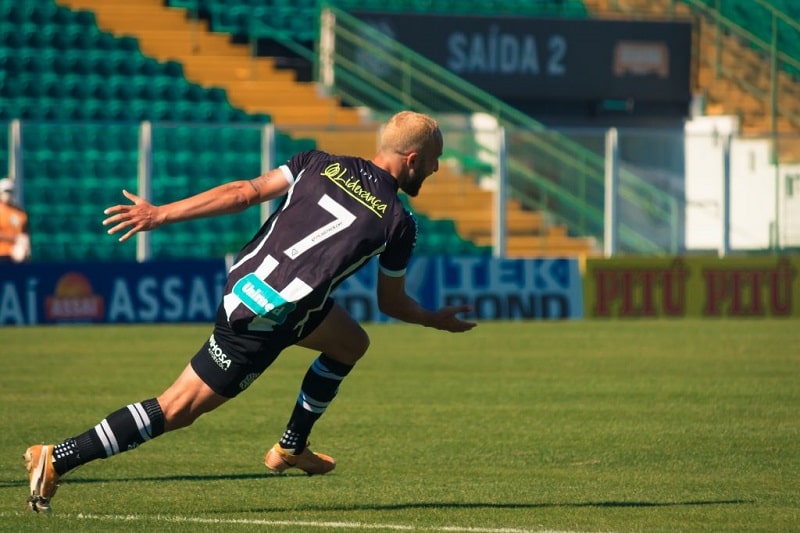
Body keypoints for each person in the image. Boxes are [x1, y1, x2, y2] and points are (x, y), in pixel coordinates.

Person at [23, 110, 477, 513]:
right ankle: (59, 457)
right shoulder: (398, 222)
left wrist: (161, 214)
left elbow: (243, 193)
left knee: (351, 343)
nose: (436, 169)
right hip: (266, 317)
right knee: (177, 408)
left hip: (251, 290)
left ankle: (292, 446)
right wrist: (433, 319)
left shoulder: (316, 162)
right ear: (413, 159)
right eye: (434, 161)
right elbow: (391, 302)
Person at [0, 177, 31, 263]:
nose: (8, 194)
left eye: (10, 191)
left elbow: (25, 233)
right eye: (6, 191)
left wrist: (25, 247)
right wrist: (15, 238)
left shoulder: (20, 213)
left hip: (16, 256)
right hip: (2, 254)